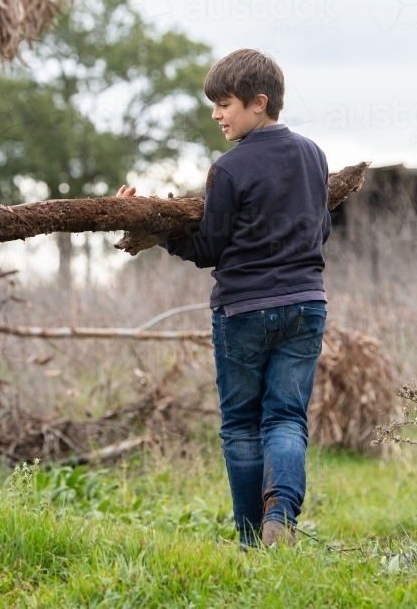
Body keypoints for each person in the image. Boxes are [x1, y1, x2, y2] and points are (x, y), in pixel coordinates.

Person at [119, 49, 330, 547]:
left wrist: (156, 230)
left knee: (241, 425)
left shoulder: (229, 169)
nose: (216, 114)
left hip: (243, 311)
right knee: (286, 417)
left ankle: (251, 540)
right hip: (307, 305)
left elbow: (208, 248)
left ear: (259, 103)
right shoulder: (315, 155)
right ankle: (281, 513)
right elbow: (321, 229)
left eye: (225, 103)